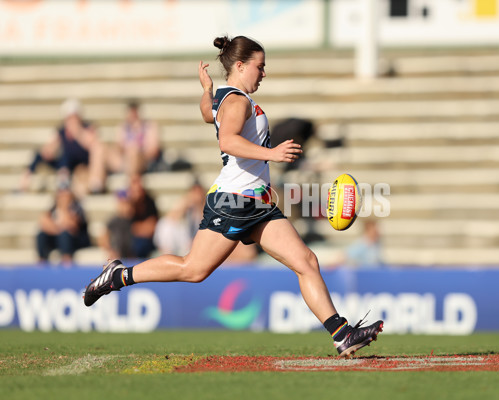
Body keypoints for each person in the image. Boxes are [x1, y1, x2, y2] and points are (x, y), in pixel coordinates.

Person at [83, 35, 382, 357]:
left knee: (306, 261)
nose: (264, 73)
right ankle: (119, 275)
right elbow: (227, 141)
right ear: (240, 65)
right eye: (260, 66)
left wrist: (207, 91)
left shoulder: (225, 98)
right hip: (235, 199)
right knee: (193, 270)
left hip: (257, 202)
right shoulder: (238, 100)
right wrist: (272, 153)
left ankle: (342, 334)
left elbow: (207, 115)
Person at [20, 98, 103, 196]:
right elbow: (49, 146)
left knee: (67, 155)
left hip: (83, 161)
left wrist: (78, 132)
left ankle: (64, 180)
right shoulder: (61, 131)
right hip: (67, 163)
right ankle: (26, 177)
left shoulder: (87, 127)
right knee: (43, 154)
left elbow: (92, 144)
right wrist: (49, 150)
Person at [36, 181, 91, 266]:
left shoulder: (76, 207)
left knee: (65, 235)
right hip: (58, 236)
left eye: (65, 193)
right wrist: (58, 228)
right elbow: (43, 222)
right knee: (41, 235)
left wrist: (64, 208)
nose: (63, 196)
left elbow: (72, 226)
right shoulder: (54, 207)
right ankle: (41, 262)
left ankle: (66, 262)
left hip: (77, 240)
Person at [97, 190, 135, 260]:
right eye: (123, 203)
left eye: (128, 203)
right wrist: (111, 251)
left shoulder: (135, 220)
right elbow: (102, 239)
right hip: (117, 256)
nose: (127, 207)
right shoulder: (113, 221)